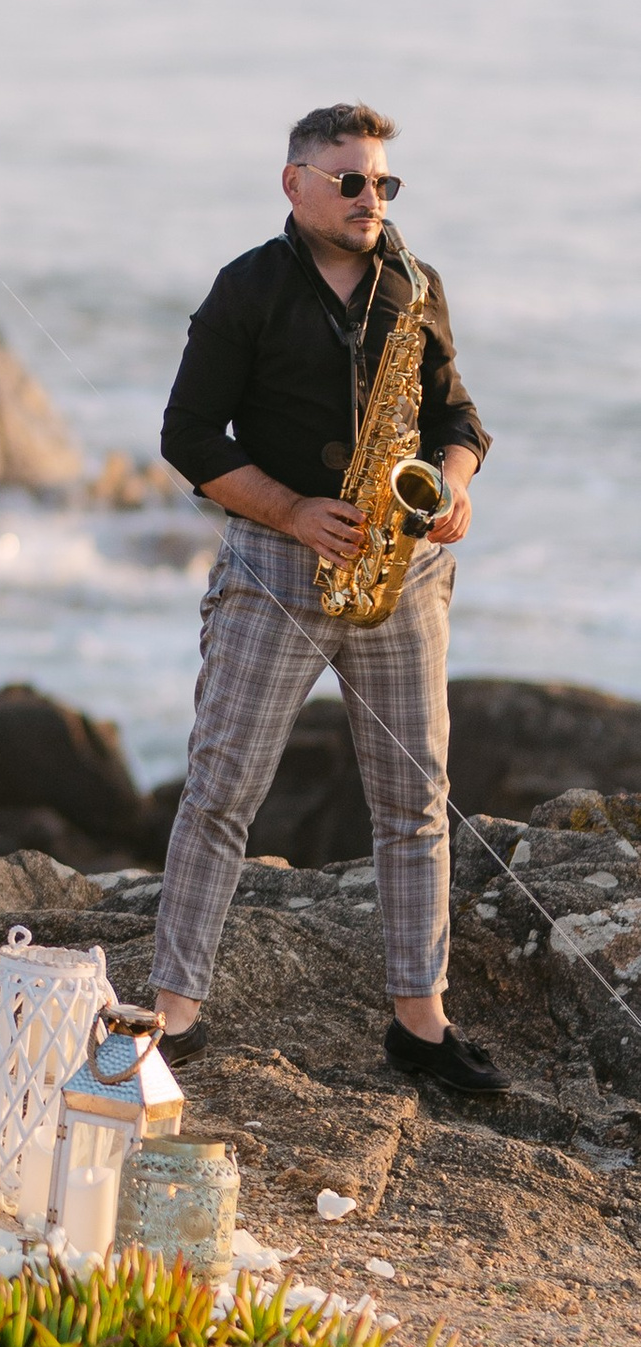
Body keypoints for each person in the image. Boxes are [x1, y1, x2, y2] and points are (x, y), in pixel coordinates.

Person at [153, 103, 499, 1093]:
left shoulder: (414, 283)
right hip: (275, 569)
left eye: (384, 183)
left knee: (414, 802)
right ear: (294, 181)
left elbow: (458, 415)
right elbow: (188, 436)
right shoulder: (247, 288)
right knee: (222, 792)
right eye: (350, 181)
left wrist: (456, 482)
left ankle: (419, 1023)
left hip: (401, 571)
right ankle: (175, 1012)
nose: (370, 199)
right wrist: (294, 511)